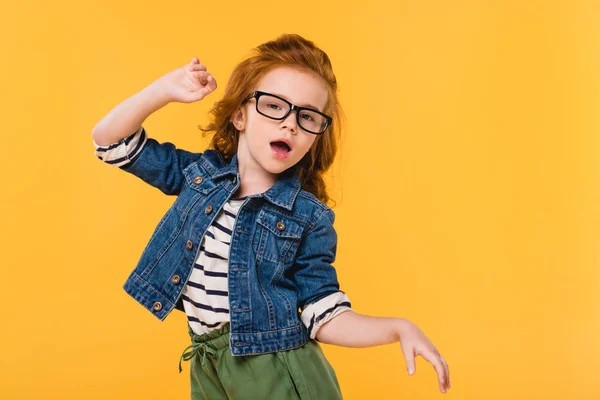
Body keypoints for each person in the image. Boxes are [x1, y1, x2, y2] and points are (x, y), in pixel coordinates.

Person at [92, 33, 451, 399]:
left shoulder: (308, 217)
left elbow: (324, 313)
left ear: (315, 137)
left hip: (276, 370)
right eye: (275, 106)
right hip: (208, 360)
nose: (290, 124)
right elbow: (108, 142)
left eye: (308, 116)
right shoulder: (198, 177)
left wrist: (397, 328)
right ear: (239, 115)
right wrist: (162, 90)